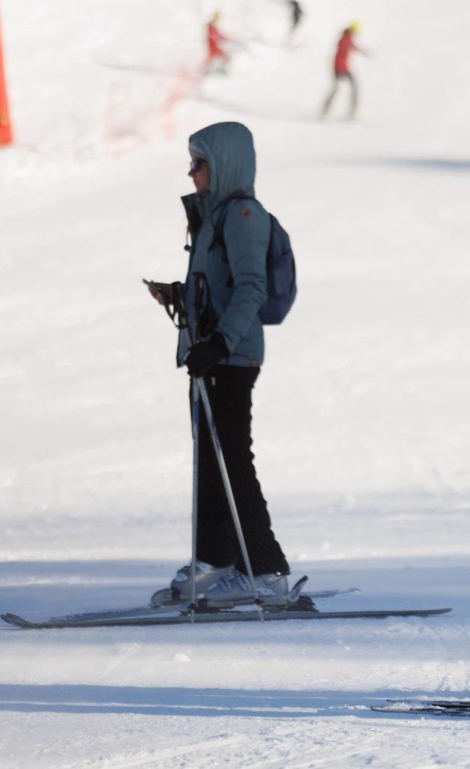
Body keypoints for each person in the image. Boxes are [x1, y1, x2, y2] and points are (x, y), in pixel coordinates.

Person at [145, 121, 293, 607]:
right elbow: (221, 287)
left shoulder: (244, 215)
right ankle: (217, 560)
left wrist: (221, 341)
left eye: (199, 162)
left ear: (224, 163)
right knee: (211, 462)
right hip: (210, 355)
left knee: (232, 460)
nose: (191, 173)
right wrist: (180, 295)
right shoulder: (214, 217)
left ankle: (267, 570)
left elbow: (252, 287)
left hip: (230, 357)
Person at [320, 22, 367, 119]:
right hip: (340, 68)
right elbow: (344, 50)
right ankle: (328, 109)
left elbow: (352, 46)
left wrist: (362, 51)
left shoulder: (347, 38)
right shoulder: (344, 40)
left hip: (343, 67)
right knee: (340, 88)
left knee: (339, 88)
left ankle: (327, 109)